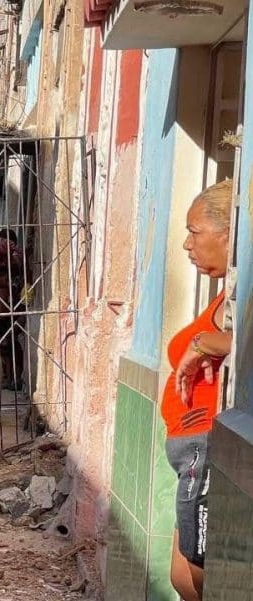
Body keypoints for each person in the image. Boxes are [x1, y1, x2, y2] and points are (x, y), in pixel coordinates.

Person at [163, 181, 234, 601]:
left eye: (195, 231)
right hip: (189, 453)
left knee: (199, 567)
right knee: (183, 574)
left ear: (228, 234)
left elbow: (240, 344)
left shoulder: (238, 298)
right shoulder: (227, 293)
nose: (188, 245)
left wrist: (203, 343)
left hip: (204, 447)